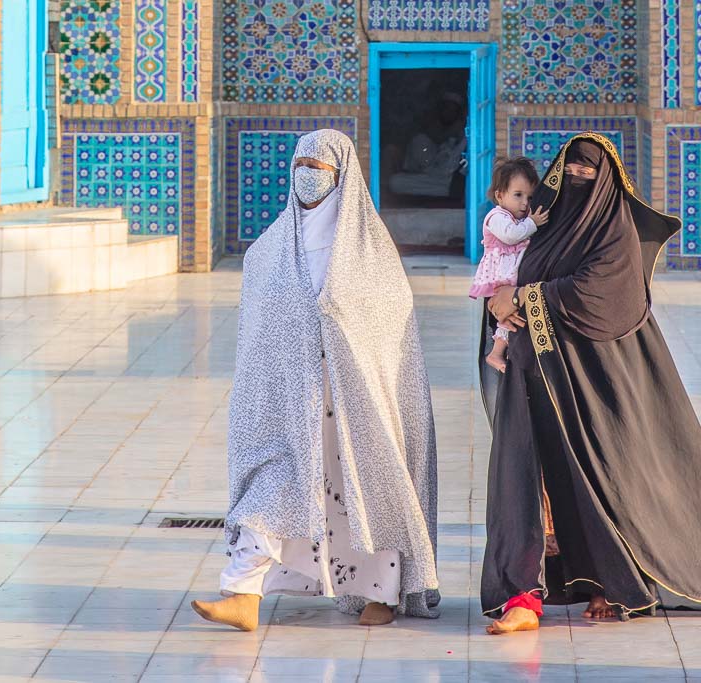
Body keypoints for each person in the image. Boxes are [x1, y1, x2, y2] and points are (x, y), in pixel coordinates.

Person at [191, 129, 440, 632]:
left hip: (356, 402)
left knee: (367, 489)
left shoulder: (370, 252)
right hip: (288, 400)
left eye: (319, 166)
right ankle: (242, 591)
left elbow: (389, 328)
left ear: (341, 175)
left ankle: (381, 595)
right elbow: (257, 328)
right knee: (273, 487)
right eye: (300, 163)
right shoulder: (269, 249)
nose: (307, 175)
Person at [479, 133, 701, 635]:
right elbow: (509, 272)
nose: (579, 178)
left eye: (590, 172)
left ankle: (606, 583)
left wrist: (526, 296)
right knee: (524, 477)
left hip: (594, 380)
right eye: (572, 169)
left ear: (607, 181)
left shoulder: (614, 231)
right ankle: (522, 595)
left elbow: (603, 295)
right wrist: (504, 302)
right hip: (534, 374)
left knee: (598, 475)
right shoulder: (548, 221)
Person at [469, 157, 550, 373]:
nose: (525, 203)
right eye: (518, 195)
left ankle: (499, 352)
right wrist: (533, 223)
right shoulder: (496, 217)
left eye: (529, 197)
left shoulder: (515, 218)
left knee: (510, 318)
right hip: (500, 275)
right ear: (499, 195)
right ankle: (495, 353)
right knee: (505, 315)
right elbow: (512, 236)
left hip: (511, 277)